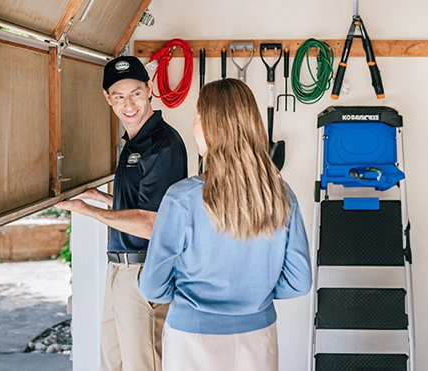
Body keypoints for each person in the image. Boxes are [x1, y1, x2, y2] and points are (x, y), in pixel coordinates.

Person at [138, 78, 312, 371]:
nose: (194, 124)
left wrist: (186, 299)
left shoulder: (182, 199)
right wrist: (256, 298)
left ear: (211, 126)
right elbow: (299, 281)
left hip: (192, 338)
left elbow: (153, 287)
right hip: (258, 335)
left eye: (197, 115)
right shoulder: (280, 194)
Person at [57, 55, 188, 371]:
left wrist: (88, 210)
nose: (129, 104)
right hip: (119, 270)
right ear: (108, 98)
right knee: (112, 364)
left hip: (145, 274)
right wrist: (101, 196)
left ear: (149, 90)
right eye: (119, 96)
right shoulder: (133, 143)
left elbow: (152, 223)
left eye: (136, 93)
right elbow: (141, 201)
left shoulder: (163, 146)